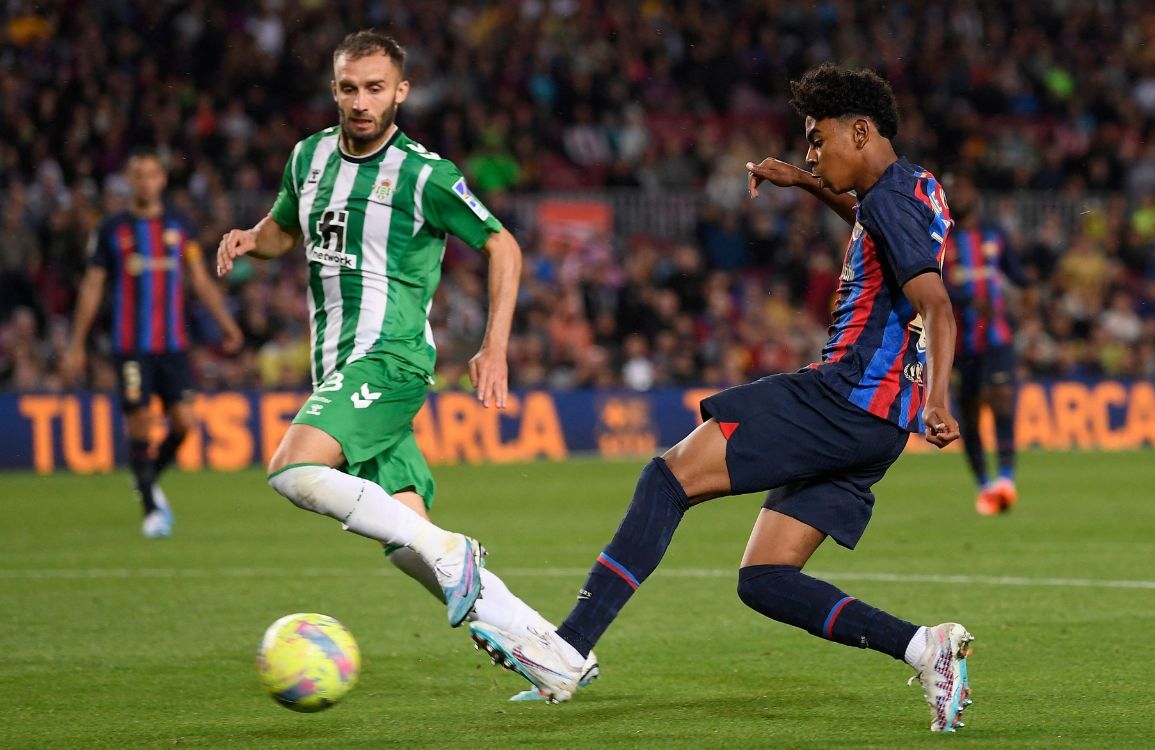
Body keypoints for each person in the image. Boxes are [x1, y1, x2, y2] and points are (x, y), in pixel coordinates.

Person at [470, 64, 975, 733]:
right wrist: (808, 187)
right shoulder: (916, 189)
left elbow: (937, 306)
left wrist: (940, 398)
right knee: (764, 578)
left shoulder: (887, 200)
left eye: (818, 140)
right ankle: (924, 647)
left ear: (861, 131)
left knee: (667, 476)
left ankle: (568, 648)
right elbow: (878, 225)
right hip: (878, 424)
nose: (811, 153)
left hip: (845, 397)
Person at [213, 31, 596, 696]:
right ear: (335, 90)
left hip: (387, 359)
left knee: (293, 469)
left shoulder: (424, 173)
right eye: (350, 88)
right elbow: (287, 227)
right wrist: (252, 239)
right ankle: (557, 661)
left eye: (376, 88)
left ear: (401, 92)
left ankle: (458, 554)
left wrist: (494, 344)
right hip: (337, 367)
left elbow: (502, 247)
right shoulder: (307, 158)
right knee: (408, 541)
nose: (362, 102)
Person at [64, 148, 243, 538]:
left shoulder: (180, 225)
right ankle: (150, 510)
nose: (145, 181)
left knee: (185, 423)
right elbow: (93, 285)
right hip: (131, 344)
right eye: (138, 174)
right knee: (142, 422)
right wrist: (76, 343)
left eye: (152, 174)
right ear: (130, 180)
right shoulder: (113, 229)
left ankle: (145, 479)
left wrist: (227, 324)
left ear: (162, 179)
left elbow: (198, 278)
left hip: (173, 344)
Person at [941, 168, 1027, 515]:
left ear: (973, 191)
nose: (957, 197)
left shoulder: (994, 233)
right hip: (959, 342)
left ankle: (1006, 477)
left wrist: (1026, 300)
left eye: (961, 189)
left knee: (1003, 398)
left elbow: (1017, 275)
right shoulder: (941, 238)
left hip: (997, 336)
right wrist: (964, 301)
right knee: (971, 416)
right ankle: (983, 485)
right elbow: (935, 284)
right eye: (951, 192)